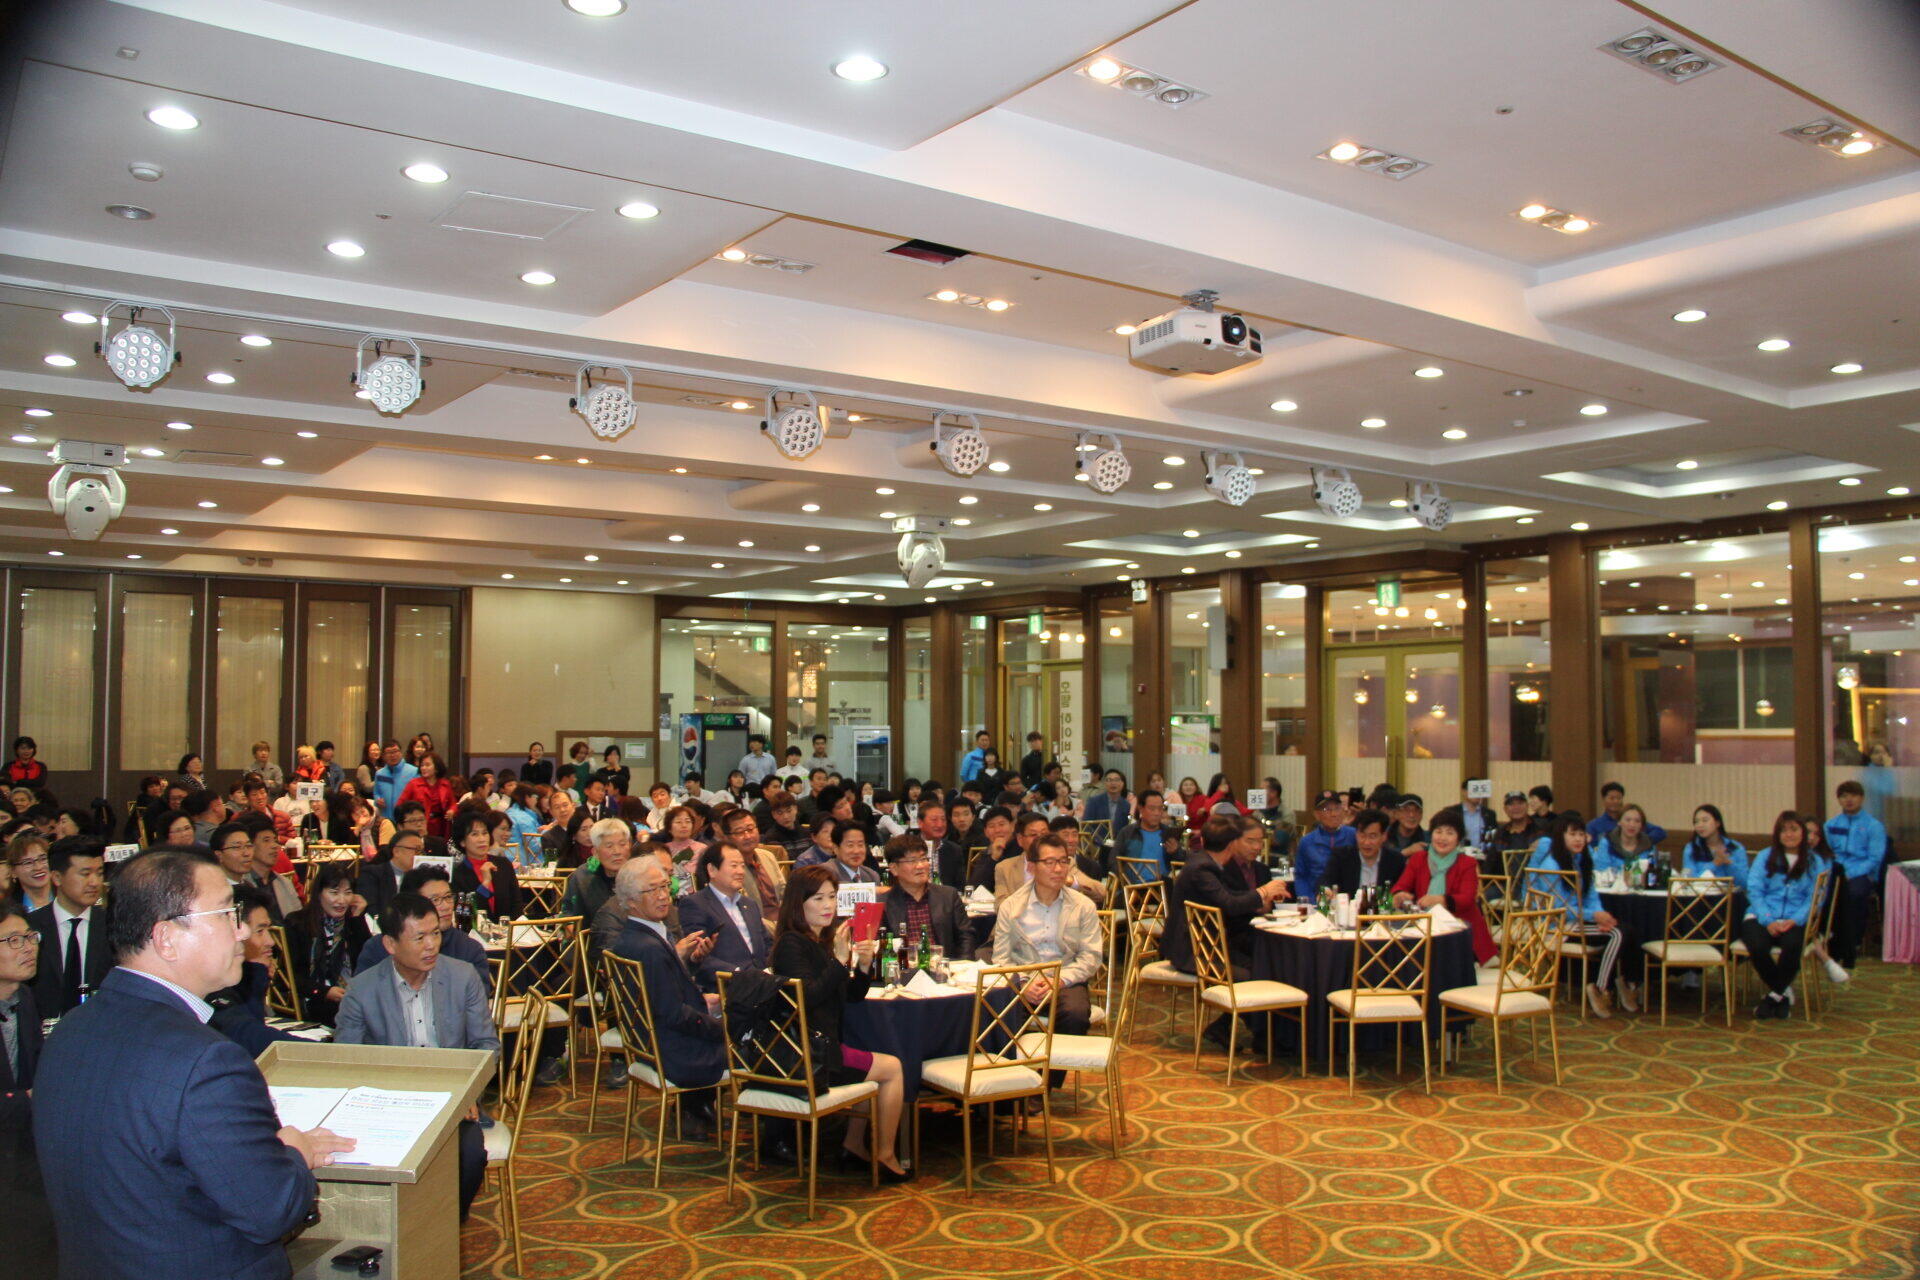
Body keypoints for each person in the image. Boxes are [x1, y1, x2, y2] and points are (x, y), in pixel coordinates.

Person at [35, 852, 354, 1279]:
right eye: (226, 915)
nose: (243, 931)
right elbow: (271, 1209)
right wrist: (295, 1151)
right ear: (167, 938)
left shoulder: (71, 1030)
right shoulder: (206, 1061)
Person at [336, 891, 496, 1219]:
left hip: (452, 1102)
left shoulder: (462, 976)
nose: (431, 945)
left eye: (435, 933)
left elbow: (486, 1046)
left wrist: (467, 1094)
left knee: (469, 1155)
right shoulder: (362, 990)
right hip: (389, 1107)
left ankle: (447, 1226)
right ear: (390, 944)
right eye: (419, 937)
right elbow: (347, 1061)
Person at [770, 865, 908, 1179]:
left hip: (823, 1045)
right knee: (892, 1068)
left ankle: (853, 1144)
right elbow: (807, 998)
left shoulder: (821, 940)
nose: (828, 906)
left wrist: (863, 965)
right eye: (818, 899)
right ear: (799, 903)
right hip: (808, 1055)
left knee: (872, 1055)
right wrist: (838, 959)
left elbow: (852, 996)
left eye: (832, 897)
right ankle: (885, 1155)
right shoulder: (792, 944)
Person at [606, 859, 727, 1137]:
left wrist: (700, 993)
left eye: (665, 886)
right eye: (652, 890)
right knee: (759, 1044)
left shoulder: (634, 937)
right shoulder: (649, 948)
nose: (663, 896)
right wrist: (722, 1028)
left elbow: (665, 993)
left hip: (652, 1044)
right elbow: (674, 1014)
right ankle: (776, 1130)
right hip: (677, 1053)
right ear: (631, 901)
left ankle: (697, 1108)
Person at [1160, 817, 1291, 1047]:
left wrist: (1258, 899)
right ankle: (1265, 1037)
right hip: (1192, 952)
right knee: (1252, 976)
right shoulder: (1202, 869)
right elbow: (1229, 903)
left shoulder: (1204, 862)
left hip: (1207, 945)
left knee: (1260, 965)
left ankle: (1234, 1030)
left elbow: (1228, 896)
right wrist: (1263, 892)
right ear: (1232, 844)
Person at [991, 831, 1103, 1086]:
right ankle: (1011, 1085)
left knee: (1076, 1014)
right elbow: (1001, 958)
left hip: (1065, 978)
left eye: (1063, 861)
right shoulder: (1012, 906)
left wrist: (1059, 981)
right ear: (1032, 867)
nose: (1058, 869)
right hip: (1023, 978)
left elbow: (1091, 956)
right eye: (1050, 862)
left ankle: (1045, 1085)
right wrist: (1023, 983)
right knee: (997, 1013)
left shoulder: (1083, 906)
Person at [1527, 812, 1643, 1018]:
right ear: (1560, 837)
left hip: (1579, 919)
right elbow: (1560, 909)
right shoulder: (1552, 866)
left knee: (1629, 930)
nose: (1578, 839)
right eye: (1572, 834)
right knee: (1618, 934)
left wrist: (1599, 913)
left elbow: (1591, 895)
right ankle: (1600, 987)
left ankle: (1626, 982)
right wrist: (1593, 916)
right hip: (1558, 925)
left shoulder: (1580, 859)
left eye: (1581, 834)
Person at [357, 864, 492, 987]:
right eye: (435, 900)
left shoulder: (469, 949)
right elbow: (362, 994)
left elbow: (476, 999)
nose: (446, 906)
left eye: (448, 897)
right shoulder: (380, 947)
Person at [1391, 807, 1496, 963]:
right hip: (1424, 928)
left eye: (1450, 833)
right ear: (1431, 834)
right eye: (1438, 832)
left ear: (1458, 838)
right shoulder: (1418, 859)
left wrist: (1441, 900)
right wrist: (1399, 894)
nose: (1442, 838)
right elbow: (1400, 886)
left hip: (1461, 933)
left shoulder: (1467, 863)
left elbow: (1467, 899)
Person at [1744, 811, 1821, 1020]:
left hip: (1795, 919)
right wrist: (1768, 919)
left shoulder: (1814, 861)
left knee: (1793, 945)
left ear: (1803, 833)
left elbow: (1815, 897)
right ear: (1777, 834)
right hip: (1761, 916)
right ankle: (1782, 993)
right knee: (1757, 946)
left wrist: (1795, 920)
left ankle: (1773, 997)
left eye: (1794, 829)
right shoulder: (1765, 856)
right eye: (1783, 830)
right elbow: (1755, 891)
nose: (1789, 835)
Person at [205, 886, 298, 1057]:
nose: (270, 941)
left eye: (269, 930)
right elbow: (248, 1036)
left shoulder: (245, 978)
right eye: (260, 931)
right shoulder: (213, 985)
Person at [29, 835, 112, 1017]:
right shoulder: (30, 927)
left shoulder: (112, 926)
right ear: (57, 878)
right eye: (85, 874)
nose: (95, 882)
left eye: (99, 873)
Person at [676, 842, 773, 992]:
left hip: (762, 983)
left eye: (742, 866)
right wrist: (739, 974)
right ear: (712, 870)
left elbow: (767, 944)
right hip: (726, 987)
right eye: (734, 866)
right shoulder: (695, 904)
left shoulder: (749, 904)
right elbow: (698, 956)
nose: (740, 871)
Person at [284, 860, 369, 1027]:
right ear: (319, 893)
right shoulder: (298, 923)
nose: (341, 900)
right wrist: (324, 991)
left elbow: (367, 962)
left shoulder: (352, 922)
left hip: (350, 997)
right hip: (312, 998)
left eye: (348, 893)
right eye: (334, 892)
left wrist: (358, 918)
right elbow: (291, 976)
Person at [1826, 780, 1888, 975]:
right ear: (1839, 800)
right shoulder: (1831, 825)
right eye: (1844, 796)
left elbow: (1875, 859)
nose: (1849, 800)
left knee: (1853, 894)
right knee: (1822, 892)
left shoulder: (1873, 826)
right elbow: (1826, 853)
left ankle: (1852, 941)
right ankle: (1829, 939)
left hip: (1863, 874)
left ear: (1861, 798)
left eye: (1853, 795)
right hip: (1836, 871)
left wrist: (1850, 874)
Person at [879, 835, 971, 955]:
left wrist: (963, 963)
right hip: (903, 965)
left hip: (944, 963)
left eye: (923, 859)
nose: (920, 866)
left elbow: (966, 938)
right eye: (912, 861)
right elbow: (880, 947)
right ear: (894, 868)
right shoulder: (882, 904)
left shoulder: (948, 896)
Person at [561, 817, 637, 947]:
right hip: (592, 946)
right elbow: (568, 915)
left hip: (635, 943)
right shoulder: (582, 877)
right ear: (595, 852)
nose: (617, 852)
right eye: (609, 846)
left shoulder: (640, 874)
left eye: (622, 844)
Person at [450, 808, 525, 920]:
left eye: (485, 833)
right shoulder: (457, 874)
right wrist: (485, 884)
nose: (482, 839)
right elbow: (467, 914)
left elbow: (517, 905)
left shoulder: (503, 864)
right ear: (462, 842)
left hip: (507, 928)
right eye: (474, 834)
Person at [1324, 807, 1407, 898]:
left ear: (1384, 836)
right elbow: (1326, 881)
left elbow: (1402, 890)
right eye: (1362, 836)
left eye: (1372, 836)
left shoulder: (1396, 861)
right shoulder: (1341, 857)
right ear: (1356, 834)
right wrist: (1326, 890)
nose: (1366, 842)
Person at [1293, 790, 1358, 899]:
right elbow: (1301, 876)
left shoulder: (1354, 835)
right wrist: (1308, 901)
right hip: (1316, 898)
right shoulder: (1307, 842)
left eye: (1337, 808)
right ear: (1316, 814)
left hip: (1348, 898)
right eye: (1327, 810)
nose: (1333, 814)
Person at [1113, 789, 1182, 881]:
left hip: (1162, 885)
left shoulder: (1168, 833)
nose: (1157, 813)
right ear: (1141, 809)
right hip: (1133, 885)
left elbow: (1182, 863)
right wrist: (1124, 880)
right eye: (1152, 809)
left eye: (1160, 808)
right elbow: (1113, 861)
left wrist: (1175, 852)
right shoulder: (1127, 832)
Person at [1682, 804, 1749, 882]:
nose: (1700, 825)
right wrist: (1714, 864)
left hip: (1730, 890)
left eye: (1705, 820)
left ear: (1717, 823)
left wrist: (1729, 863)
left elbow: (1745, 882)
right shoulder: (1691, 848)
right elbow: (1689, 880)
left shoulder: (1735, 848)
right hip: (1701, 890)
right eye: (1696, 822)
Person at [1588, 781, 1667, 844]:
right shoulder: (1594, 826)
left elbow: (1660, 832)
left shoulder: (1631, 820)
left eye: (1619, 798)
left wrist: (1641, 842)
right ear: (1603, 799)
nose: (1616, 801)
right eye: (1612, 798)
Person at [1601, 804, 1662, 873]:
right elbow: (1600, 871)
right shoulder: (1607, 843)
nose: (1632, 825)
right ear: (1619, 822)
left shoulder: (1649, 846)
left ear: (1641, 825)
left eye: (1637, 821)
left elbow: (1653, 873)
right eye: (1628, 820)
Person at [823, 818, 883, 885]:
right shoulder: (825, 874)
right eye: (850, 845)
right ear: (835, 848)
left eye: (860, 845)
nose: (856, 851)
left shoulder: (872, 876)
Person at [8, 832, 56, 912]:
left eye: (43, 859)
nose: (38, 867)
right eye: (28, 863)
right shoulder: (9, 911)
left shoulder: (69, 894)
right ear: (13, 871)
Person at [372, 739, 419, 819]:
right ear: (383, 756)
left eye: (395, 751)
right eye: (389, 752)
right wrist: (377, 800)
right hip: (386, 818)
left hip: (407, 818)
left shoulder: (413, 771)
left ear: (401, 753)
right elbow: (376, 793)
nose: (393, 755)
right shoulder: (379, 774)